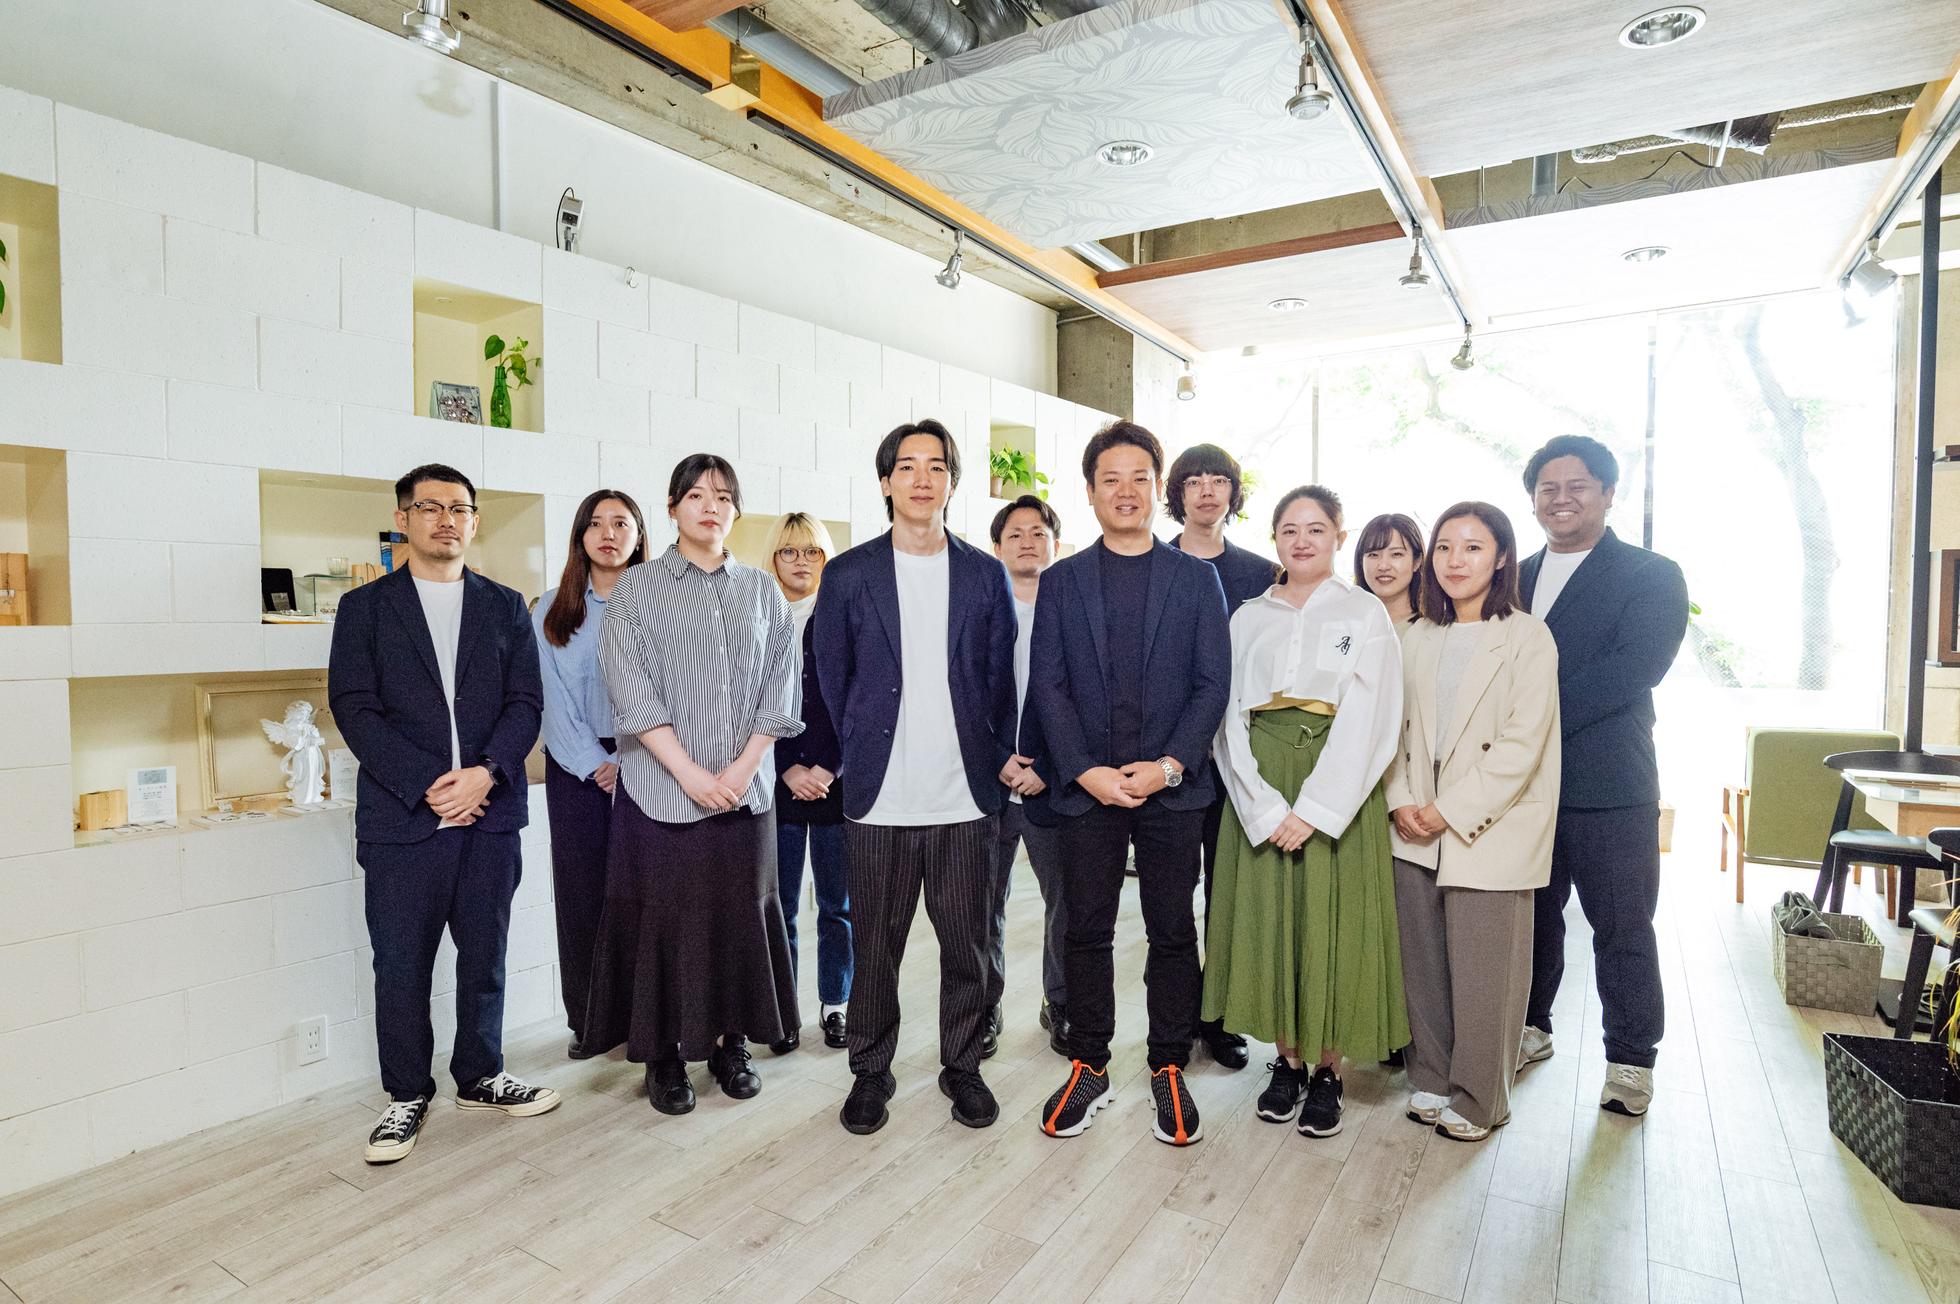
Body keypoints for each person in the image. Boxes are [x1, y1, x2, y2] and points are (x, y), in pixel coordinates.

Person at [328, 462, 557, 1165]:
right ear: (403, 520)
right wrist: (429, 784)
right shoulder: (365, 609)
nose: (446, 519)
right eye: (429, 507)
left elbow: (526, 703)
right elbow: (354, 708)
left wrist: (485, 774)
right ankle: (405, 1094)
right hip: (405, 822)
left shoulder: (506, 606)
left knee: (486, 958)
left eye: (459, 508)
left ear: (474, 521)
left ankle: (481, 1076)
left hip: (490, 815)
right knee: (401, 966)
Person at [812, 419, 1019, 1136]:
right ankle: (871, 1071)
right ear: (885, 482)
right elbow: (831, 678)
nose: (922, 478)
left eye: (936, 466)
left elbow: (999, 683)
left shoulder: (984, 574)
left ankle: (963, 1065)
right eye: (907, 466)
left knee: (967, 948)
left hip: (964, 797)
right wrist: (860, 743)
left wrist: (992, 753)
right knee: (876, 950)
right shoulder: (849, 575)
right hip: (879, 798)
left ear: (952, 483)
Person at [1030, 421, 1232, 1148]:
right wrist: (1084, 769)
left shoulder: (1196, 578)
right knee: (1085, 929)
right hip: (1086, 789)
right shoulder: (1062, 581)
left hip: (1170, 790)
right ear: (1089, 492)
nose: (1125, 491)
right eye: (1110, 479)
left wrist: (1169, 765)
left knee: (1173, 930)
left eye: (1139, 478)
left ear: (1157, 489)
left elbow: (1213, 684)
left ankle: (1168, 1064)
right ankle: (1089, 1063)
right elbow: (1048, 685)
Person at [586, 454, 802, 1116]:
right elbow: (630, 689)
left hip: (745, 795)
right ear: (673, 507)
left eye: (724, 497)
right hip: (660, 793)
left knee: (739, 921)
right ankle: (663, 1056)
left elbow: (781, 687)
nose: (711, 506)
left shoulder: (763, 592)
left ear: (736, 511)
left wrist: (740, 770)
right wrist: (687, 772)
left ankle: (732, 1045)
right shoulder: (636, 589)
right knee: (664, 924)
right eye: (697, 495)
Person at [1203, 485, 1405, 1140]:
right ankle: (1287, 1063)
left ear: (1339, 536)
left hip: (1338, 786)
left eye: (1316, 528)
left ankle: (1328, 1071)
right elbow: (1224, 717)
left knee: (1331, 925)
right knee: (1272, 923)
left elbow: (1373, 717)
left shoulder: (1364, 613)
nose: (1302, 540)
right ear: (1275, 539)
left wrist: (1316, 808)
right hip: (1260, 783)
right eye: (1289, 529)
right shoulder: (1247, 616)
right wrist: (1262, 807)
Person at [1517, 435, 1688, 1118]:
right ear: (1533, 500)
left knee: (1621, 927)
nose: (1561, 499)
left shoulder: (1651, 574)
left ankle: (1631, 1059)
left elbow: (1634, 668)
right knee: (1531, 919)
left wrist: (1523, 721)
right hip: (1520, 788)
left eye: (1577, 486)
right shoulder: (1513, 575)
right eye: (1548, 488)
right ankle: (1529, 1027)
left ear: (1609, 493)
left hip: (1609, 785)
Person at [1385, 501, 1560, 1143]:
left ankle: (1483, 1097)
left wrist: (1447, 810)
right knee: (1423, 967)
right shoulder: (1417, 635)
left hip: (1490, 827)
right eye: (1444, 547)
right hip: (1412, 826)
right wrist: (1400, 800)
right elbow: (1390, 731)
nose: (1455, 560)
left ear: (1502, 557)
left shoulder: (1528, 637)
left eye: (1473, 547)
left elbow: (1522, 744)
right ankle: (1432, 1078)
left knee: (1488, 974)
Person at [1166, 442, 1276, 1071]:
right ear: (1177, 494)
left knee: (1228, 895)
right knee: (1172, 898)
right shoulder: (1156, 563)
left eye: (1218, 481)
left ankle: (1220, 1017)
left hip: (1241, 760)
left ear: (1234, 493)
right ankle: (1177, 1017)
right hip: (1175, 761)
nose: (1207, 491)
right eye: (1194, 481)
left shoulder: (1262, 574)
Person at [533, 489, 649, 1062]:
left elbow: (675, 690)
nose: (608, 534)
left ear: (639, 535)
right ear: (580, 536)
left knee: (645, 895)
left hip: (652, 762)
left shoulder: (660, 603)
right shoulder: (550, 608)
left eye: (621, 523)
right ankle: (590, 1021)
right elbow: (549, 696)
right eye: (596, 524)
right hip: (576, 769)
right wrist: (594, 764)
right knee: (583, 896)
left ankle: (648, 1018)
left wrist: (630, 760)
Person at [764, 511, 851, 1055]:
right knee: (783, 906)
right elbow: (744, 703)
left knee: (838, 905)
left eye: (812, 551)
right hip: (778, 784)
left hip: (836, 785)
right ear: (773, 559)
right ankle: (784, 1010)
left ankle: (836, 1004)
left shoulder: (843, 616)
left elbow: (860, 700)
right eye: (789, 551)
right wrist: (787, 768)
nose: (801, 562)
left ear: (826, 558)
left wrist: (828, 768)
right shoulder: (757, 617)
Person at [988, 494, 1069, 1058]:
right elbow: (963, 694)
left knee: (1063, 903)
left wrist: (1050, 766)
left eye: (1038, 532)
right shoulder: (981, 610)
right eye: (1015, 534)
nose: (1027, 542)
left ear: (1055, 545)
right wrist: (997, 757)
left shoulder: (1072, 609)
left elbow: (1087, 700)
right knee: (982, 905)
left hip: (1053, 783)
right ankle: (984, 1005)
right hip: (989, 783)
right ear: (997, 547)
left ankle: (1059, 1002)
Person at [1354, 512, 1426, 627]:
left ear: (1417, 561)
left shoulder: (1435, 627)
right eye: (1373, 555)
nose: (1383, 566)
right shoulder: (1342, 623)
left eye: (1396, 554)